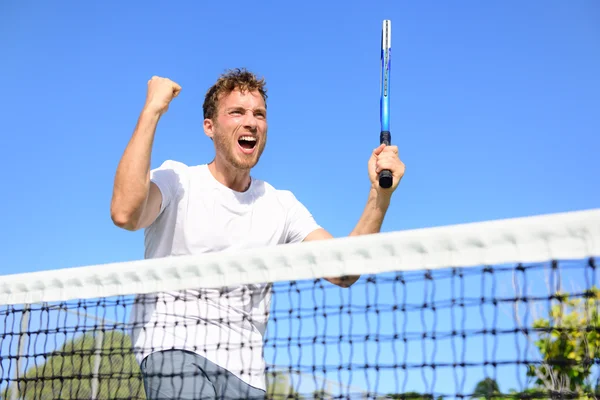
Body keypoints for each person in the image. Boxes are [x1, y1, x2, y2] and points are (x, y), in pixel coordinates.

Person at [110, 68, 405, 400]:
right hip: (173, 347)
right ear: (209, 126)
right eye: (237, 112)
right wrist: (152, 111)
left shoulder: (281, 205)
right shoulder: (177, 180)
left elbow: (343, 270)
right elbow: (124, 212)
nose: (250, 122)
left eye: (259, 114)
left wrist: (380, 196)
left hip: (246, 372)